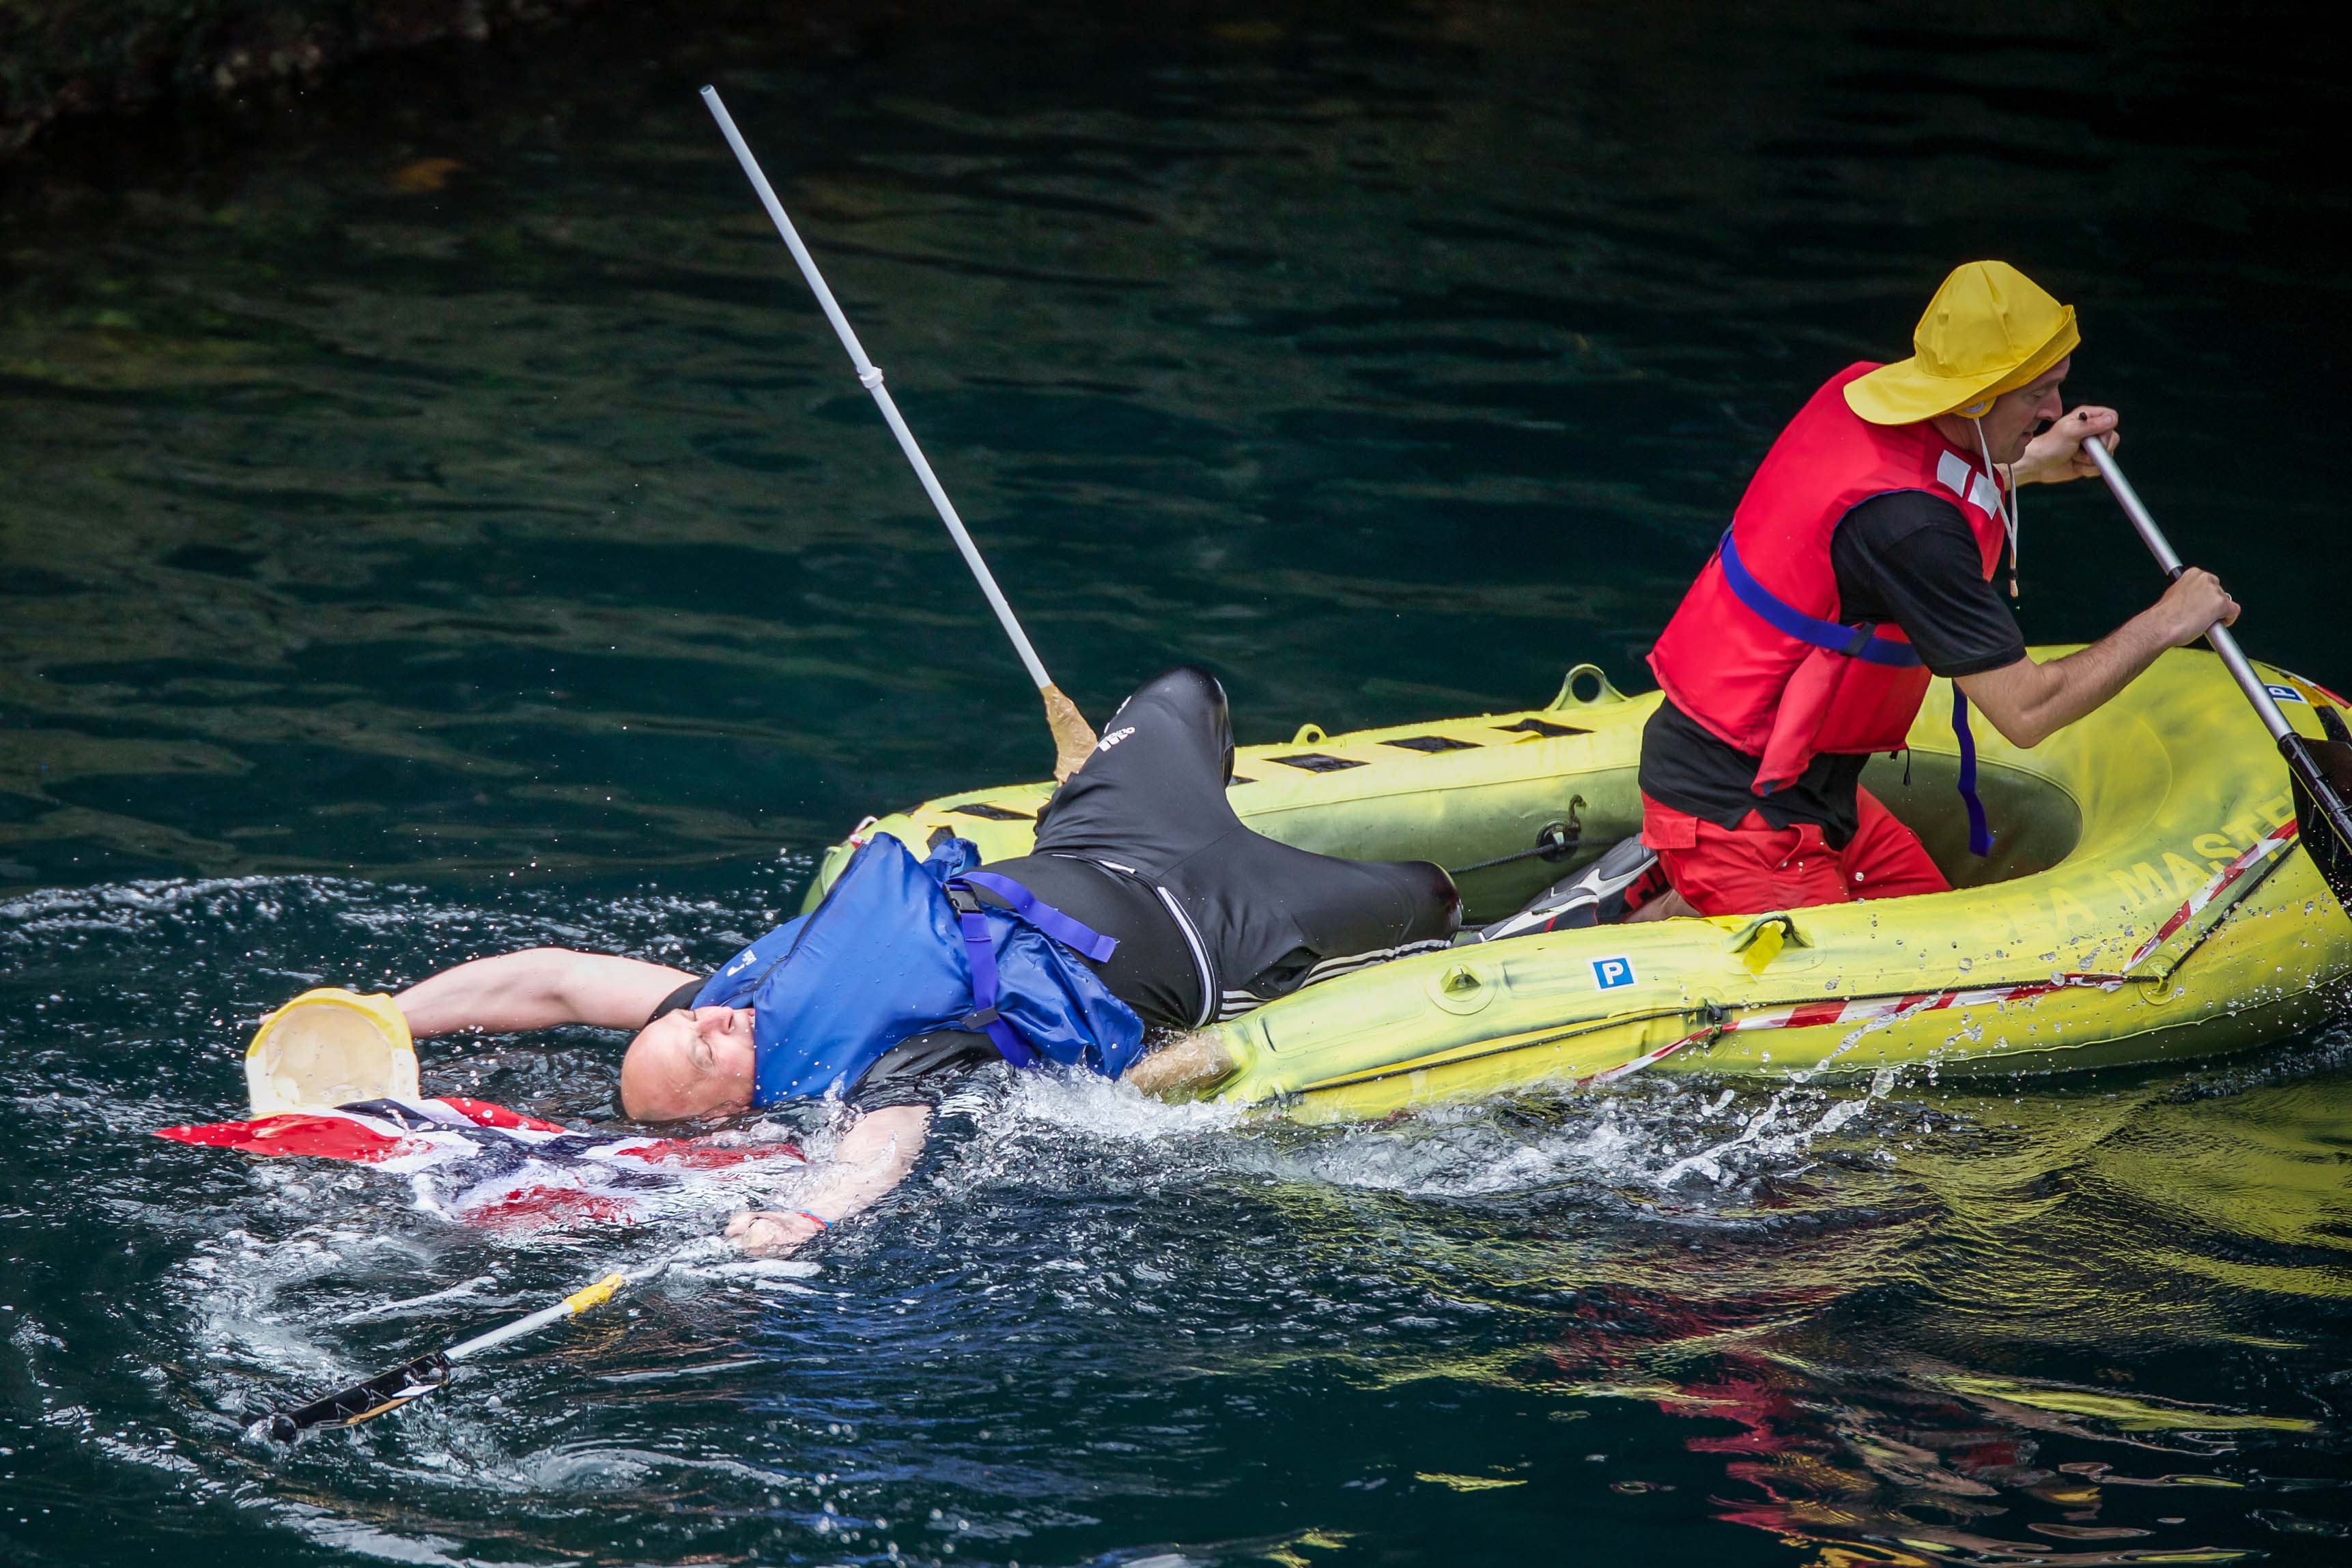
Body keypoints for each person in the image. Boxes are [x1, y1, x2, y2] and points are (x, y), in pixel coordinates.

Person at [385, 667, 1460, 1255]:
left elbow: (550, 978)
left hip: (1102, 839)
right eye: (708, 1051)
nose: (714, 1023)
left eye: (693, 1021)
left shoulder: (738, 1001)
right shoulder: (877, 1070)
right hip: (1214, 929)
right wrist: (806, 1216)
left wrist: (387, 1018)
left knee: (1186, 689)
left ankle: (1134, 784)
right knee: (1427, 897)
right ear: (735, 1105)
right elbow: (878, 1157)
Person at [1637, 259, 2240, 918]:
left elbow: (1906, 494)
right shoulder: (1912, 533)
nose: (2053, 412)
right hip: (1741, 807)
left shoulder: (1864, 393)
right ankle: (1687, 909)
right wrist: (2166, 621)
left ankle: (1686, 904)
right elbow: (2025, 712)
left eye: (2057, 389)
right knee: (1864, 999)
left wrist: (2034, 462)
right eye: (2036, 395)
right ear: (1974, 397)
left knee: (1940, 938)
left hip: (1806, 790)